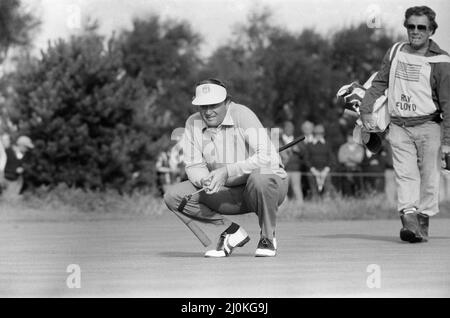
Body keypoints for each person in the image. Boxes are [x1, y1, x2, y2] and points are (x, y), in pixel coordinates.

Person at [164, 78, 288, 257]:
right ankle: (230, 231)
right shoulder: (192, 122)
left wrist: (227, 171)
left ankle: (268, 237)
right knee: (173, 196)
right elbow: (193, 165)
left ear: (227, 101)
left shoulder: (242, 114)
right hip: (227, 192)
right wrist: (204, 179)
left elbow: (268, 156)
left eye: (214, 105)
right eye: (203, 106)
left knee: (261, 176)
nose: (208, 111)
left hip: (263, 187)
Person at [361, 6, 450, 243]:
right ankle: (409, 219)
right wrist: (365, 109)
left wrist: (448, 143)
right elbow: (379, 83)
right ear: (406, 27)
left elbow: (448, 104)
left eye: (421, 27)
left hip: (430, 126)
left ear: (431, 30)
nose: (415, 31)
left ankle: (423, 220)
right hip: (399, 126)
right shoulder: (396, 51)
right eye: (411, 26)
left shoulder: (441, 61)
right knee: (405, 174)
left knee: (430, 177)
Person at [303, 124, 336, 199]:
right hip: (313, 170)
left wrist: (326, 169)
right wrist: (312, 169)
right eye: (317, 133)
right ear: (314, 134)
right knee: (313, 188)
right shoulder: (309, 145)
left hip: (325, 170)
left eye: (320, 133)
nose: (318, 135)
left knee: (327, 185)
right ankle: (315, 198)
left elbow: (332, 158)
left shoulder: (327, 144)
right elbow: (306, 159)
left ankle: (326, 198)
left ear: (323, 134)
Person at [2, 135, 34, 200]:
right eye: (26, 147)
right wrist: (14, 170)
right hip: (3, 179)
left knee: (9, 200)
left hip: (14, 181)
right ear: (21, 145)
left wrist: (22, 169)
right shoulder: (8, 151)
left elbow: (25, 166)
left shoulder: (25, 156)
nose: (27, 150)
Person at [279, 121, 303, 203]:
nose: (290, 129)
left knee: (297, 188)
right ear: (284, 128)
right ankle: (283, 206)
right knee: (283, 189)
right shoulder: (279, 140)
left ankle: (300, 206)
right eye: (288, 127)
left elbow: (304, 153)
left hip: (295, 168)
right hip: (283, 168)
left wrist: (298, 150)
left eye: (291, 127)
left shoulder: (298, 139)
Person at [337, 132, 365, 196]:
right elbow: (341, 159)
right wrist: (353, 157)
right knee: (346, 186)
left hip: (356, 170)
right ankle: (348, 198)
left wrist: (348, 157)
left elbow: (359, 160)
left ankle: (358, 197)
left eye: (352, 137)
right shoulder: (343, 147)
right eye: (349, 137)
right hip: (345, 169)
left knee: (358, 187)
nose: (350, 139)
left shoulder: (360, 148)